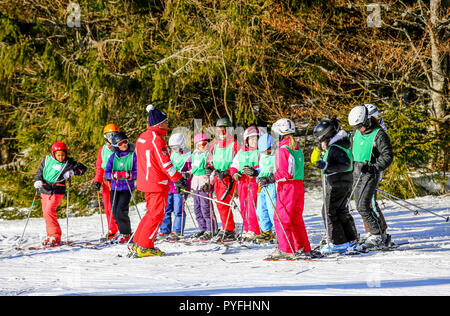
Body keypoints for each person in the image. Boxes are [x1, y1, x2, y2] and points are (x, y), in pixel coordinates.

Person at [129, 104, 186, 257]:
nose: (167, 124)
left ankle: (138, 242)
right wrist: (178, 179)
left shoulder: (142, 137)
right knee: (156, 214)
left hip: (146, 182)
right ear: (159, 124)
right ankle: (145, 246)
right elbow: (165, 163)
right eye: (165, 121)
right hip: (156, 182)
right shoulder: (157, 140)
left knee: (151, 213)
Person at [259, 118, 312, 259]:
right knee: (295, 218)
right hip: (298, 186)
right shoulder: (296, 148)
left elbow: (285, 173)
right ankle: (302, 247)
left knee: (281, 218)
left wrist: (270, 178)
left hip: (287, 187)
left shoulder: (284, 149)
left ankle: (286, 249)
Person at [348, 105, 393, 248]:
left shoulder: (379, 134)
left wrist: (374, 167)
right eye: (356, 126)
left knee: (363, 206)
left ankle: (378, 234)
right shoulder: (356, 134)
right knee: (360, 205)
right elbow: (351, 150)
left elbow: (387, 156)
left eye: (359, 126)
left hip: (369, 173)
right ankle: (375, 232)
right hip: (356, 173)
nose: (358, 129)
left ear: (367, 121)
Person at [313, 119, 358, 254]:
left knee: (328, 212)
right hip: (342, 182)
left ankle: (338, 242)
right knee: (340, 211)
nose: (321, 145)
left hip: (337, 183)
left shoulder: (335, 147)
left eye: (321, 141)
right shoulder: (340, 144)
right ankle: (350, 239)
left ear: (327, 137)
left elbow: (346, 165)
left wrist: (327, 166)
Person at [34, 142, 87, 246]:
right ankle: (50, 235)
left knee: (49, 211)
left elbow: (82, 169)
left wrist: (72, 172)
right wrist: (37, 181)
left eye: (63, 154)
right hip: (44, 189)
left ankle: (55, 235)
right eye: (58, 155)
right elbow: (39, 172)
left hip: (57, 189)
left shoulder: (68, 163)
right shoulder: (47, 160)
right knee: (46, 213)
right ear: (54, 154)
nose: (61, 157)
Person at [206, 118, 240, 242]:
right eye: (219, 129)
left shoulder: (234, 144)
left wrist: (228, 171)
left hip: (228, 177)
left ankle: (229, 229)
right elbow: (210, 160)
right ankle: (227, 227)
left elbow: (238, 160)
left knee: (223, 202)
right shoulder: (214, 145)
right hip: (218, 178)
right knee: (220, 204)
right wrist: (209, 169)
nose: (222, 132)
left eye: (224, 129)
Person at [104, 132, 137, 244]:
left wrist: (130, 175)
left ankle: (126, 233)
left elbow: (138, 171)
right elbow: (107, 172)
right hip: (115, 187)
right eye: (121, 143)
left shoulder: (133, 155)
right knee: (114, 211)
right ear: (116, 146)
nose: (124, 145)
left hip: (126, 187)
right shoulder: (114, 157)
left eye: (126, 142)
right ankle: (121, 232)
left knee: (121, 210)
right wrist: (113, 175)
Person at [230, 125, 261, 241]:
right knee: (243, 206)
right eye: (251, 138)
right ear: (247, 140)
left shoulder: (260, 151)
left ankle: (255, 229)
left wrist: (254, 170)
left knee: (252, 206)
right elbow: (234, 165)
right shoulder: (241, 152)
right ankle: (247, 228)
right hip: (242, 182)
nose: (254, 141)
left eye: (256, 138)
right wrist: (235, 173)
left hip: (254, 182)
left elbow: (264, 165)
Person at [159, 133, 192, 240]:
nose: (174, 150)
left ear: (182, 145)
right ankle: (165, 230)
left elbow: (192, 169)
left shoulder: (189, 155)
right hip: (170, 186)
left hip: (181, 186)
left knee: (178, 209)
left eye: (176, 147)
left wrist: (187, 174)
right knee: (166, 209)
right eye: (172, 148)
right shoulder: (172, 154)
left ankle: (177, 231)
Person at [363, 104, 389, 234]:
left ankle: (380, 231)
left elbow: (382, 154)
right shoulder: (370, 129)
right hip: (365, 170)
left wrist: (374, 167)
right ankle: (372, 230)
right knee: (364, 202)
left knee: (369, 202)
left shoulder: (378, 131)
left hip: (372, 171)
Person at [93, 124, 120, 240]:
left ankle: (122, 229)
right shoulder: (103, 150)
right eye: (108, 135)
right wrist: (97, 181)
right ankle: (112, 229)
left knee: (117, 206)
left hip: (118, 181)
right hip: (105, 182)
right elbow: (100, 167)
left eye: (114, 135)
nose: (111, 137)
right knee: (108, 207)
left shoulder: (121, 148)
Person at [190, 133, 217, 240]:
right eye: (201, 144)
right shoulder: (194, 155)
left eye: (205, 143)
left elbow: (213, 171)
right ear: (197, 145)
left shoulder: (209, 155)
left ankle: (211, 229)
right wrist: (187, 174)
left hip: (205, 183)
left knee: (206, 208)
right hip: (195, 184)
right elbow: (193, 169)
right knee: (197, 208)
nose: (203, 146)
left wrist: (209, 183)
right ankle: (202, 227)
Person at [255, 133, 276, 243]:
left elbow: (279, 171)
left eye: (268, 151)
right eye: (263, 151)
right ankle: (266, 231)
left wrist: (269, 178)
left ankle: (279, 232)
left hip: (272, 186)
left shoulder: (277, 155)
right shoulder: (262, 156)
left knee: (273, 209)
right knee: (261, 209)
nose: (266, 154)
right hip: (262, 186)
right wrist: (255, 172)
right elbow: (262, 169)